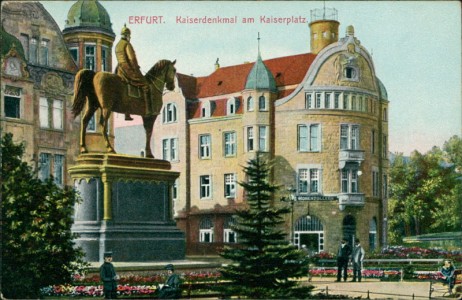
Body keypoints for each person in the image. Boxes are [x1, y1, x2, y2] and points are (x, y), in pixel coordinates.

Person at [115, 24, 152, 120]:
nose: (129, 38)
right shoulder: (127, 44)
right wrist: (136, 67)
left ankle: (127, 114)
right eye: (129, 36)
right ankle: (147, 111)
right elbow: (132, 59)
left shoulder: (118, 45)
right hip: (127, 68)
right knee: (145, 86)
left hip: (119, 69)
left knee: (126, 87)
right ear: (127, 36)